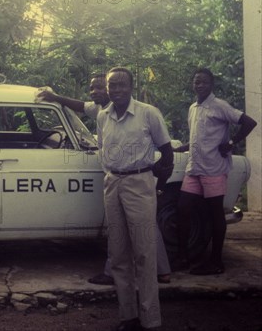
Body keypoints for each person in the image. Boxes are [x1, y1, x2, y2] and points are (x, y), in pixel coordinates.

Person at [38, 75, 172, 286]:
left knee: (142, 228)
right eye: (93, 88)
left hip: (135, 176)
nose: (95, 91)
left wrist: (160, 182)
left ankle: (135, 274)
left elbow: (166, 150)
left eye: (100, 87)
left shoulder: (136, 111)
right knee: (123, 228)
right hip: (113, 177)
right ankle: (155, 271)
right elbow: (80, 106)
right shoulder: (101, 111)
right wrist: (55, 97)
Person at [97, 67, 174, 331]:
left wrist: (158, 188)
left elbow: (167, 153)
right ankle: (127, 316)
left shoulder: (148, 113)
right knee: (118, 255)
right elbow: (103, 150)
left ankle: (151, 320)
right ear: (107, 88)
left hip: (140, 183)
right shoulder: (102, 116)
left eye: (121, 85)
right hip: (112, 183)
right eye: (112, 85)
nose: (116, 89)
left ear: (131, 86)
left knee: (144, 253)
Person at [172, 68, 257, 275]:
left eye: (203, 82)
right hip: (194, 168)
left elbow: (249, 122)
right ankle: (183, 257)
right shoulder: (193, 108)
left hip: (214, 169)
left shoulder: (220, 106)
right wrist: (178, 148)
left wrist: (231, 142)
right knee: (183, 209)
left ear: (211, 85)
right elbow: (197, 138)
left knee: (215, 214)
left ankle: (216, 262)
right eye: (196, 82)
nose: (199, 85)